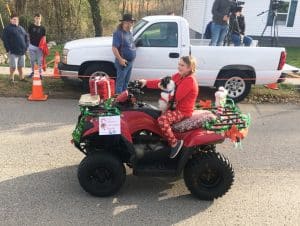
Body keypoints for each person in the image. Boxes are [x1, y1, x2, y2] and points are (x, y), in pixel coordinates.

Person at [139, 56, 199, 158]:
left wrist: (164, 88)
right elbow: (164, 82)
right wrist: (145, 82)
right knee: (150, 113)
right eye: (179, 64)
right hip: (174, 108)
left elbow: (176, 97)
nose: (179, 67)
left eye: (182, 65)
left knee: (162, 120)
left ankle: (175, 143)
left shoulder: (189, 81)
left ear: (189, 68)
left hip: (182, 112)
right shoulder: (179, 76)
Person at [112, 13, 136, 94]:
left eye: (131, 22)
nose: (130, 24)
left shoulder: (129, 32)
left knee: (126, 83)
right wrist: (120, 59)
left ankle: (123, 100)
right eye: (128, 22)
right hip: (123, 63)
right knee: (120, 84)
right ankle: (118, 101)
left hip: (130, 62)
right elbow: (114, 48)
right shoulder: (118, 33)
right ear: (123, 22)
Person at [2, 13, 29, 84]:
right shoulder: (7, 29)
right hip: (13, 52)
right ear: (10, 20)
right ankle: (11, 79)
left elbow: (27, 37)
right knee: (13, 67)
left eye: (16, 19)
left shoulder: (21, 28)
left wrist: (26, 47)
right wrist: (8, 50)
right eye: (14, 19)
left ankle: (21, 78)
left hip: (22, 51)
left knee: (21, 66)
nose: (15, 20)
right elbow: (5, 40)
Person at [27, 13, 46, 78]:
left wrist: (44, 46)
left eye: (39, 18)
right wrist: (28, 44)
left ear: (41, 19)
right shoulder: (31, 26)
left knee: (39, 61)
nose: (38, 19)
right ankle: (33, 72)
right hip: (32, 46)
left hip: (40, 48)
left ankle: (40, 73)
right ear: (34, 18)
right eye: (36, 18)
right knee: (32, 60)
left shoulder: (43, 28)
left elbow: (44, 38)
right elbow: (28, 36)